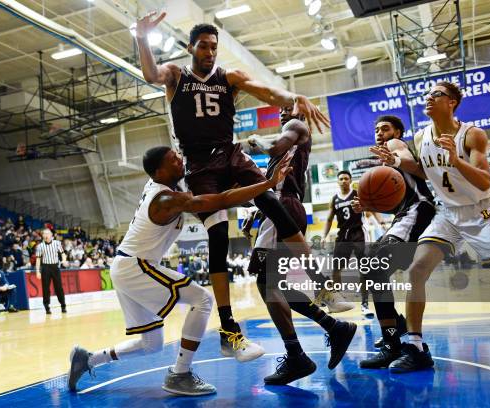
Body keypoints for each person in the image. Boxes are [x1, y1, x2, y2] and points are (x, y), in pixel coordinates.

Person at [136, 12, 335, 360]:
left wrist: (292, 97)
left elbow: (267, 91)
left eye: (214, 47)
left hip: (230, 153)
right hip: (198, 164)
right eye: (203, 46)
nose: (210, 52)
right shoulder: (175, 75)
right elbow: (150, 74)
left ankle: (321, 285)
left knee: (272, 203)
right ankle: (229, 328)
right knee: (218, 238)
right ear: (190, 47)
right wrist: (141, 38)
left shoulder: (229, 77)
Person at [67, 146, 294, 396]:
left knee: (151, 344)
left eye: (178, 156)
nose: (180, 161)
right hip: (136, 265)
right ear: (159, 171)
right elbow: (220, 200)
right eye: (173, 160)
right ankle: (180, 373)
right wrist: (268, 183)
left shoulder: (165, 188)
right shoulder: (165, 199)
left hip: (128, 266)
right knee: (203, 300)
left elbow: (217, 195)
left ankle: (88, 359)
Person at [371, 82, 490, 373]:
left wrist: (455, 161)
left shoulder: (472, 134)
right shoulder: (423, 135)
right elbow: (425, 170)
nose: (428, 99)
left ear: (451, 102)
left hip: (481, 212)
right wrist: (398, 161)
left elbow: (485, 182)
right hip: (448, 214)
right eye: (426, 96)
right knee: (417, 270)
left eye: (435, 95)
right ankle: (416, 347)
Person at [245, 106, 356, 384]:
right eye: (281, 106)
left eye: (290, 105)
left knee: (266, 283)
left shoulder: (296, 126)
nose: (284, 110)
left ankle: (297, 354)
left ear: (303, 111)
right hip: (282, 205)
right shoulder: (293, 135)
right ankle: (333, 326)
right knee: (277, 284)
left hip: (282, 204)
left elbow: (270, 148)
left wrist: (254, 139)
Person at [355, 115, 436, 369]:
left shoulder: (395, 146)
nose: (380, 133)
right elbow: (398, 200)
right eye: (376, 129)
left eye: (385, 128)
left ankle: (394, 342)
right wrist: (371, 204)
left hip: (418, 211)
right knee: (371, 268)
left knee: (375, 267)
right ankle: (395, 331)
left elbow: (411, 164)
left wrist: (397, 158)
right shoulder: (386, 160)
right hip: (406, 215)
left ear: (398, 131)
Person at [321, 170, 372, 316]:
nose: (343, 181)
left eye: (346, 178)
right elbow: (329, 219)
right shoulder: (334, 199)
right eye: (341, 179)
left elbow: (368, 210)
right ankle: (338, 299)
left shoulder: (358, 194)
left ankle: (364, 303)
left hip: (358, 233)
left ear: (350, 181)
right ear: (338, 182)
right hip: (342, 235)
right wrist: (324, 236)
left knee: (364, 269)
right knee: (336, 270)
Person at [35, 229, 69, 314]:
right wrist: (37, 271)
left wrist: (64, 260)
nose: (46, 235)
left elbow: (62, 253)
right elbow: (38, 260)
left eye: (47, 233)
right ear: (42, 236)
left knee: (58, 287)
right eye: (44, 234)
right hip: (45, 267)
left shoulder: (57, 243)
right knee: (45, 288)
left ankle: (63, 305)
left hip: (55, 267)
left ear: (51, 235)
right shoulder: (40, 246)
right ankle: (47, 306)